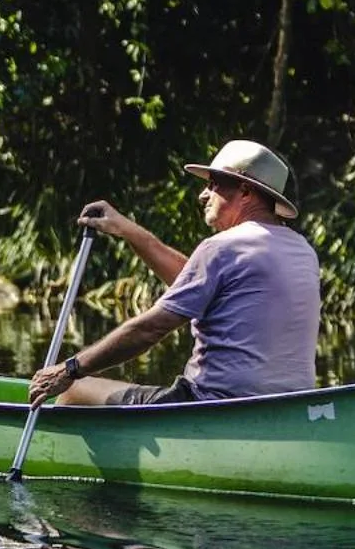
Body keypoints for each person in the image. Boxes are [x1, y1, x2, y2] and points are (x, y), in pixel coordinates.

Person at [28, 140, 320, 407]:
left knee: (73, 391)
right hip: (286, 406)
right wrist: (127, 229)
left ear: (245, 191)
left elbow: (150, 329)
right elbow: (194, 284)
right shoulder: (301, 250)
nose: (203, 194)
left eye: (214, 183)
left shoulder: (222, 247)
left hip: (211, 404)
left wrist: (69, 369)